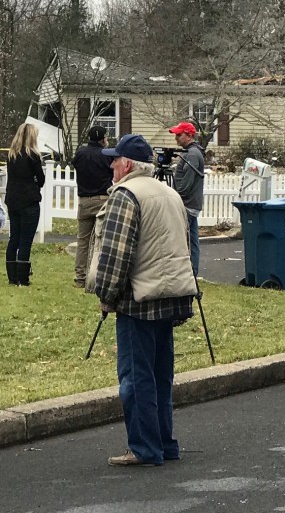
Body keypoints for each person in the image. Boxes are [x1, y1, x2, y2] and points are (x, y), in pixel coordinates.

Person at [91, 133, 195, 467]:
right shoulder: (170, 193)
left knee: (136, 378)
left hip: (139, 300)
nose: (110, 164)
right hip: (173, 296)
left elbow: (116, 254)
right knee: (161, 376)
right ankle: (165, 443)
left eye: (115, 159)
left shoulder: (126, 194)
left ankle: (144, 448)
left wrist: (106, 296)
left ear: (127, 165)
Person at [4, 123, 46, 286]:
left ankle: (12, 276)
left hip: (13, 199)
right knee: (25, 239)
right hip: (28, 200)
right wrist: (34, 181)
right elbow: (41, 180)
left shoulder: (12, 155)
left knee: (14, 237)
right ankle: (23, 277)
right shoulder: (33, 155)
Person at [72, 126, 113, 288]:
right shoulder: (106, 155)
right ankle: (98, 275)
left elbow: (76, 165)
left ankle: (80, 277)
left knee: (83, 240)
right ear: (103, 139)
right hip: (102, 199)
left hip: (84, 200)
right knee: (101, 240)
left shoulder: (80, 153)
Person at [168, 121, 205, 276]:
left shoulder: (191, 154)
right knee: (192, 241)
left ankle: (187, 273)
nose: (176, 138)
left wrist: (172, 197)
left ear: (189, 135)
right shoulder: (192, 152)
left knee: (183, 241)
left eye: (179, 134)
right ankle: (192, 272)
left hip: (186, 205)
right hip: (191, 204)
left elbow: (185, 185)